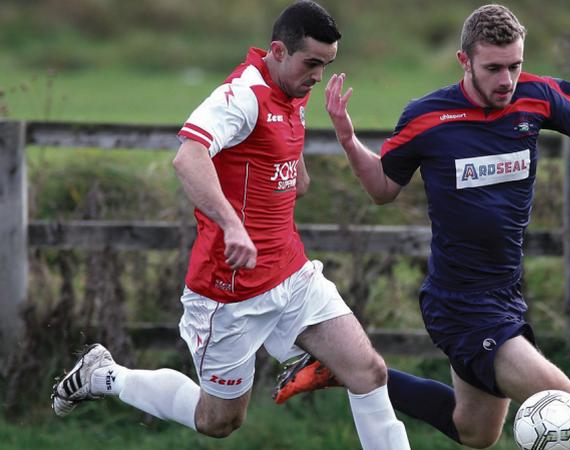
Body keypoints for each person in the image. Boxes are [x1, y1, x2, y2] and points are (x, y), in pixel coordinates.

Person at [272, 4, 570, 449]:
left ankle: (340, 370)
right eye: (493, 68)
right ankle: (347, 369)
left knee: (474, 432)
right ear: (464, 61)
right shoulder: (429, 118)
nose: (506, 80)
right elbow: (384, 188)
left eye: (515, 65)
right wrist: (349, 139)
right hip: (460, 304)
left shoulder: (539, 97)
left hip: (505, 294)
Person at [50, 2, 411, 448]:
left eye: (327, 64)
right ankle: (105, 375)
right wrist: (233, 225)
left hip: (292, 275)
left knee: (369, 372)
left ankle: (299, 353)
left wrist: (297, 168)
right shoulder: (242, 94)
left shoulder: (294, 89)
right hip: (229, 292)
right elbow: (188, 157)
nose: (318, 75)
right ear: (278, 51)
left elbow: (287, 171)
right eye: (311, 63)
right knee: (218, 420)